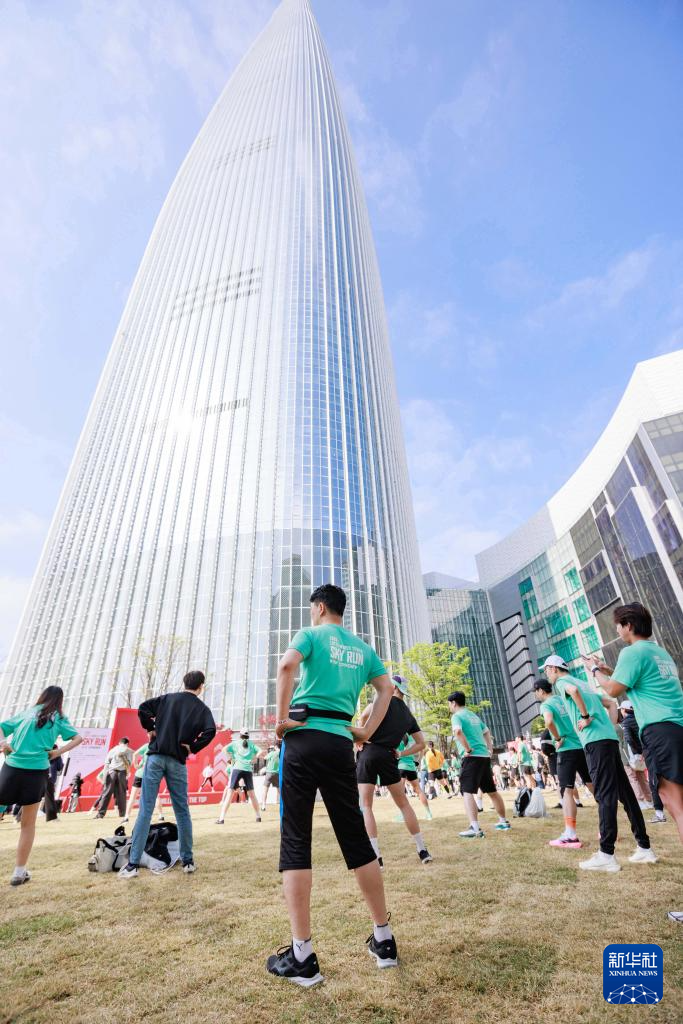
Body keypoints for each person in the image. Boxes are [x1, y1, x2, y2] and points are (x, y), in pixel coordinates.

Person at [266, 583, 397, 987]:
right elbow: (387, 689)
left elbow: (286, 667)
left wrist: (282, 720)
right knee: (356, 839)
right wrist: (365, 732)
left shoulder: (310, 634)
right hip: (340, 743)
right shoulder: (363, 649)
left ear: (321, 607)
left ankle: (302, 955)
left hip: (303, 739)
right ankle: (384, 939)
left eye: (312, 609)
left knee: (296, 839)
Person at [584, 603, 682, 916]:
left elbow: (613, 690)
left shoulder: (632, 653)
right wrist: (607, 669)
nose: (616, 630)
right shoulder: (658, 652)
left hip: (660, 731)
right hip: (677, 728)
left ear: (627, 625)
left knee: (677, 807)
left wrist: (595, 672)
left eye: (618, 625)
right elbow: (630, 679)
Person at [542, 654, 655, 872]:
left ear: (554, 668)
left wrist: (585, 717)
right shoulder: (583, 683)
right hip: (608, 739)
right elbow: (611, 703)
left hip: (595, 742)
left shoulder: (564, 682)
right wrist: (609, 727)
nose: (547, 674)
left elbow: (573, 692)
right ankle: (644, 847)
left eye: (546, 670)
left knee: (604, 795)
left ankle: (606, 854)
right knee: (626, 795)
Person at [119, 670, 216, 879]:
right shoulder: (202, 709)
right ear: (201, 686)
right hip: (177, 761)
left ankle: (132, 865)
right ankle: (187, 861)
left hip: (155, 757)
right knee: (182, 811)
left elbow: (143, 708)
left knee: (145, 810)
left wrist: (151, 729)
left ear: (184, 683)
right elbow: (211, 731)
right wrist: (193, 747)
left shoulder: (167, 699)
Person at [0, 686, 83, 885]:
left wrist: (3, 744)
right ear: (60, 700)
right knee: (27, 824)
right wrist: (57, 752)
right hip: (36, 772)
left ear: (43, 696)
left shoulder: (28, 712)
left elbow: (1, 727)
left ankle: (20, 872)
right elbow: (79, 738)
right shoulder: (59, 718)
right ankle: (19, 872)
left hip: (12, 769)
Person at [356, 674, 433, 868]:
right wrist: (401, 753)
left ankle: (376, 857)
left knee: (366, 805)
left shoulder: (381, 700)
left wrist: (360, 739)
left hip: (369, 752)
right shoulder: (408, 714)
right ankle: (422, 849)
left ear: (394, 687)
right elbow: (421, 743)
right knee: (404, 804)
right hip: (389, 755)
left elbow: (363, 717)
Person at [534, 677, 592, 848]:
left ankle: (570, 834)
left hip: (566, 748)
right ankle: (609, 827)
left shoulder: (546, 704)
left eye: (536, 692)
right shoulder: (562, 699)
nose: (536, 695)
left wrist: (558, 738)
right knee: (592, 785)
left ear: (541, 691)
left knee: (566, 791)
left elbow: (548, 721)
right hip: (581, 745)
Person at [448, 692, 510, 837]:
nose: (449, 706)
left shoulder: (456, 716)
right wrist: (490, 749)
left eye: (449, 704)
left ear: (454, 703)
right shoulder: (473, 715)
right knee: (492, 791)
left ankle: (474, 828)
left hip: (472, 757)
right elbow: (487, 731)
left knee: (467, 791)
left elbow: (458, 732)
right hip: (484, 756)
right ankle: (503, 821)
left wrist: (467, 749)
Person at [216, 730, 263, 824]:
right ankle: (258, 817)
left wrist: (230, 758)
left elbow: (224, 749)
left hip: (237, 769)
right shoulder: (251, 744)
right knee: (252, 794)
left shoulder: (235, 743)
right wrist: (255, 757)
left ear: (240, 735)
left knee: (230, 793)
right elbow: (261, 751)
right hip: (248, 770)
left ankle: (221, 819)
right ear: (248, 736)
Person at [123, 742, 164, 823]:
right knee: (156, 796)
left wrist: (135, 765)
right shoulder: (162, 748)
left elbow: (135, 754)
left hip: (141, 774)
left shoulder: (147, 745)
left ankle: (126, 817)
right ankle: (161, 816)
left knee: (133, 797)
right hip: (151, 775)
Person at [395, 732, 432, 820]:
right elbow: (422, 749)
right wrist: (418, 761)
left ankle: (402, 815)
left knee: (401, 792)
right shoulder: (413, 738)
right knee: (419, 790)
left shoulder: (397, 736)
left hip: (401, 766)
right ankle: (429, 813)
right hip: (411, 766)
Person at [96, 737, 134, 819]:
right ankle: (122, 813)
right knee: (122, 793)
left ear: (119, 743)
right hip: (122, 773)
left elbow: (107, 763)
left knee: (106, 793)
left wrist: (105, 776)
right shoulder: (129, 751)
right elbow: (129, 764)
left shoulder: (113, 750)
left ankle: (100, 814)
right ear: (127, 743)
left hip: (111, 772)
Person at [261, 743, 281, 811]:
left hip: (269, 772)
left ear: (275, 747)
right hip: (277, 773)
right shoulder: (282, 753)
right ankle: (283, 805)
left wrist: (266, 753)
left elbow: (265, 758)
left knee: (265, 790)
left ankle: (263, 806)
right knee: (279, 790)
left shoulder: (272, 753)